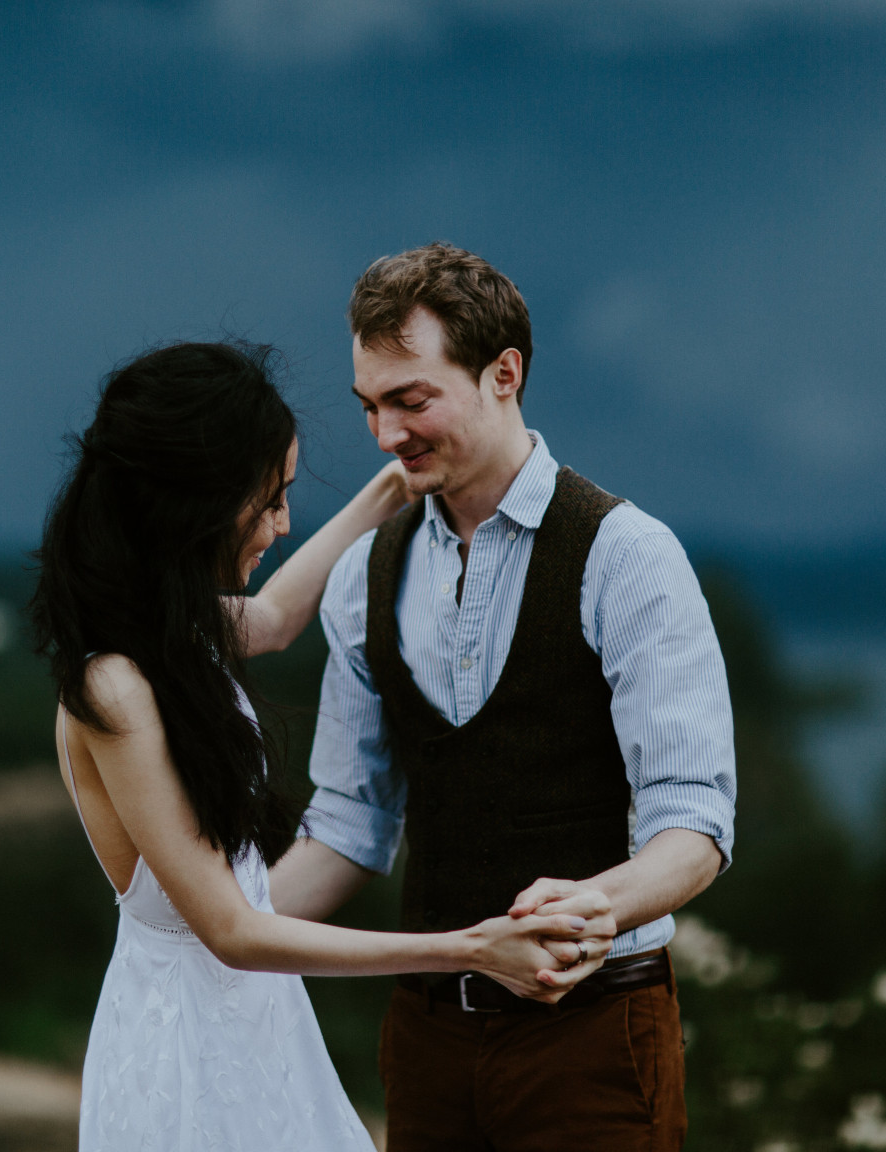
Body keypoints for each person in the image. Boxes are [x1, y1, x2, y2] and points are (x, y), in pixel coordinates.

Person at [28, 341, 613, 1152]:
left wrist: (398, 482)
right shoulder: (114, 687)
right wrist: (471, 950)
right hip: (186, 1041)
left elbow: (270, 621)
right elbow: (233, 931)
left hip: (251, 1022)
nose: (281, 522)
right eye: (267, 500)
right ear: (191, 502)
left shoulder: (166, 628)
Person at [268, 244, 738, 1151]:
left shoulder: (628, 556)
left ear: (503, 375)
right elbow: (349, 828)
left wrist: (599, 903)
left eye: (411, 400)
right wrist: (218, 928)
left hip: (594, 1035)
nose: (385, 435)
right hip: (428, 1040)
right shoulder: (365, 574)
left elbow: (694, 825)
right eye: (371, 406)